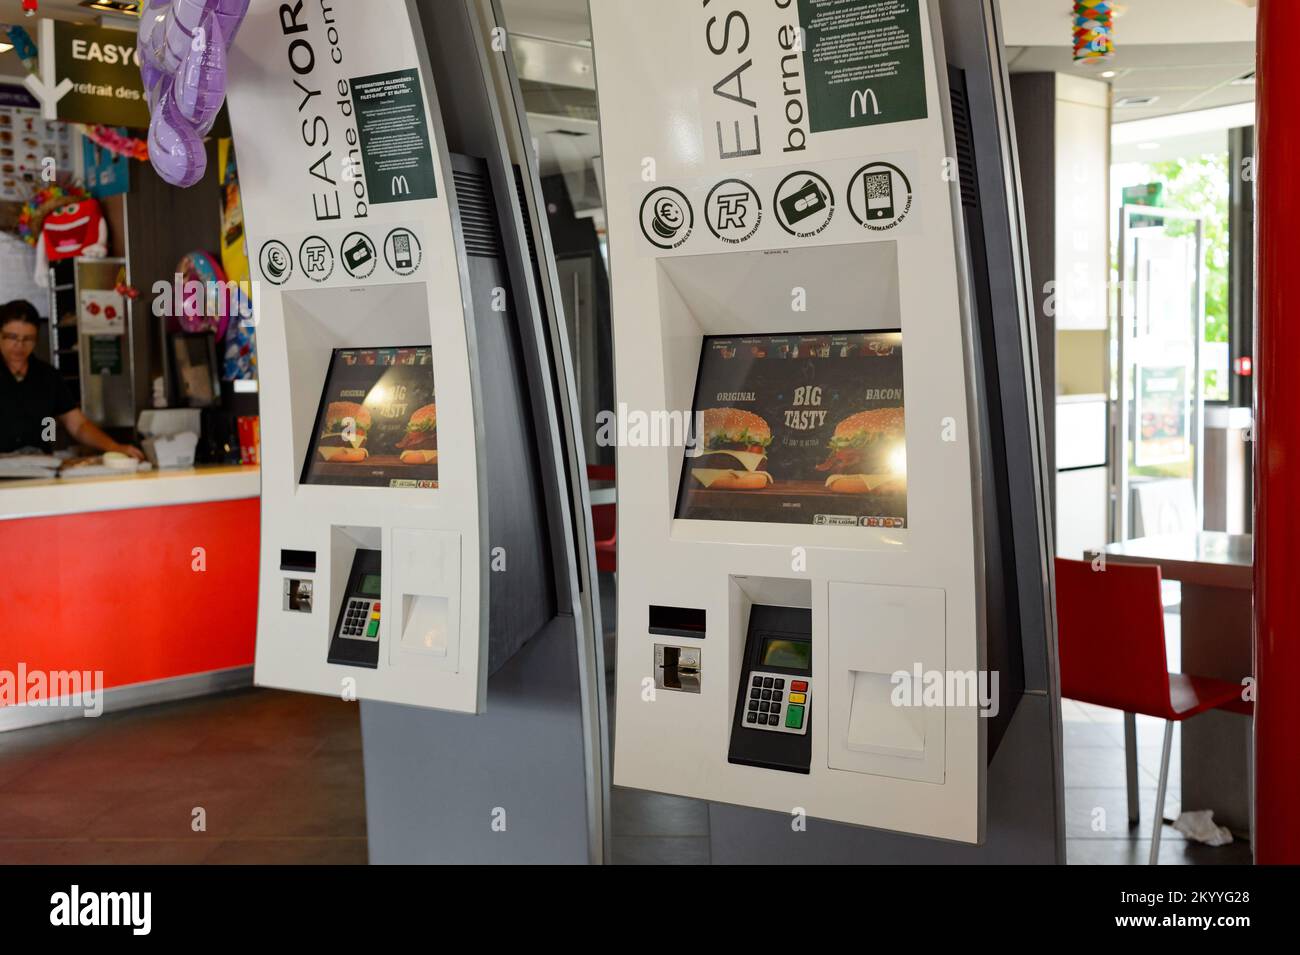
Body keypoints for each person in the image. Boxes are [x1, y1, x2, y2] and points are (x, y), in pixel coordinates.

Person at [0, 299, 144, 459]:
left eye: (28, 339)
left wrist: (114, 447)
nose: (19, 345)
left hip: (39, 469)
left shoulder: (47, 376)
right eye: (12, 337)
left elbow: (77, 424)